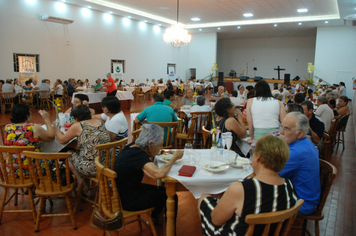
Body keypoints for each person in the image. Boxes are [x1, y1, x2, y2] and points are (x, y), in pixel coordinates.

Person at [199, 135, 297, 235]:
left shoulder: (241, 189)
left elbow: (216, 220)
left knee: (203, 198)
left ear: (258, 157)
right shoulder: (288, 185)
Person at [114, 124, 183, 224]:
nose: (160, 148)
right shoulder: (137, 155)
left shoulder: (133, 146)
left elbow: (152, 153)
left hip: (127, 191)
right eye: (159, 145)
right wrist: (174, 158)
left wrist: (166, 152)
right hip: (129, 200)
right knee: (170, 196)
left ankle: (155, 218)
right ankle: (170, 229)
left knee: (165, 191)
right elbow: (158, 174)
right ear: (150, 144)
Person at [55, 105, 110, 193]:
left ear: (76, 118)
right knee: (82, 152)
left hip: (91, 168)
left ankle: (80, 180)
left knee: (68, 154)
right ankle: (84, 183)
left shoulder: (78, 125)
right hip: (106, 164)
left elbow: (62, 140)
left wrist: (57, 130)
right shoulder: (100, 122)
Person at [279, 112, 320, 215]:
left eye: (286, 129)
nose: (281, 132)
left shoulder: (296, 153)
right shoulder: (307, 143)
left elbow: (270, 174)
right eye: (282, 127)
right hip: (308, 197)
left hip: (301, 203)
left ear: (300, 133)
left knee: (255, 200)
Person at [3, 104, 55, 177]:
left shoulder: (7, 128)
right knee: (54, 160)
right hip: (34, 169)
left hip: (13, 170)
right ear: (27, 116)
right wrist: (46, 119)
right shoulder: (33, 127)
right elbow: (51, 136)